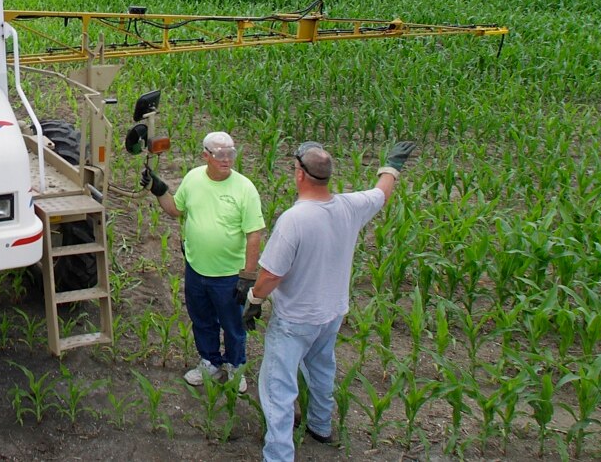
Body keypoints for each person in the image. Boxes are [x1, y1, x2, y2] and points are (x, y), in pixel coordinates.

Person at [243, 140, 416, 462]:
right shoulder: (350, 206)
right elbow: (382, 193)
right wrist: (393, 165)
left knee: (278, 388)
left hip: (295, 319)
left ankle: (278, 455)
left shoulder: (294, 220)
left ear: (299, 174)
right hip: (332, 313)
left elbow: (270, 275)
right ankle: (321, 426)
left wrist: (253, 299)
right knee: (322, 370)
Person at [142, 131, 265, 392]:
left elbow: (254, 235)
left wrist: (248, 276)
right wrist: (158, 189)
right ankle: (210, 361)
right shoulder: (193, 179)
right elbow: (176, 209)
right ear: (205, 156)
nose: (227, 159)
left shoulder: (245, 189)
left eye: (230, 153)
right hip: (196, 269)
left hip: (229, 274)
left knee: (233, 325)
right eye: (220, 154)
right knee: (202, 320)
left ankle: (235, 366)